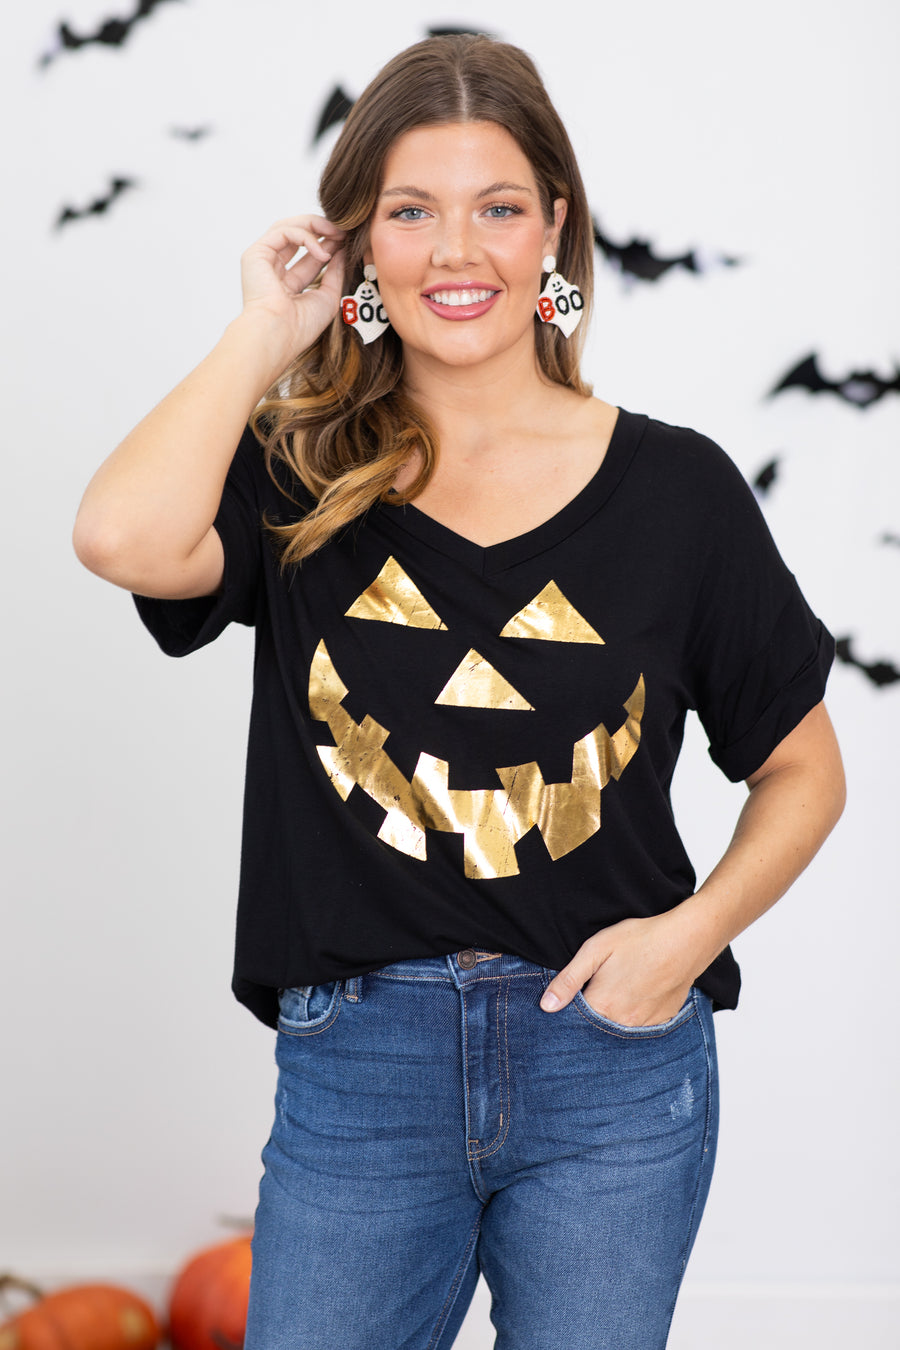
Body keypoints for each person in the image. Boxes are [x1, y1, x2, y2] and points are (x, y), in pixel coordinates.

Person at [73, 33, 845, 1350]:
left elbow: (803, 769)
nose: (455, 251)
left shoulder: (681, 493)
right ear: (358, 244)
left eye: (496, 208)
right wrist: (267, 332)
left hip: (609, 1064)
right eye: (411, 213)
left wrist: (688, 937)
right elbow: (120, 537)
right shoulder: (298, 476)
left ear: (554, 228)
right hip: (360, 1069)